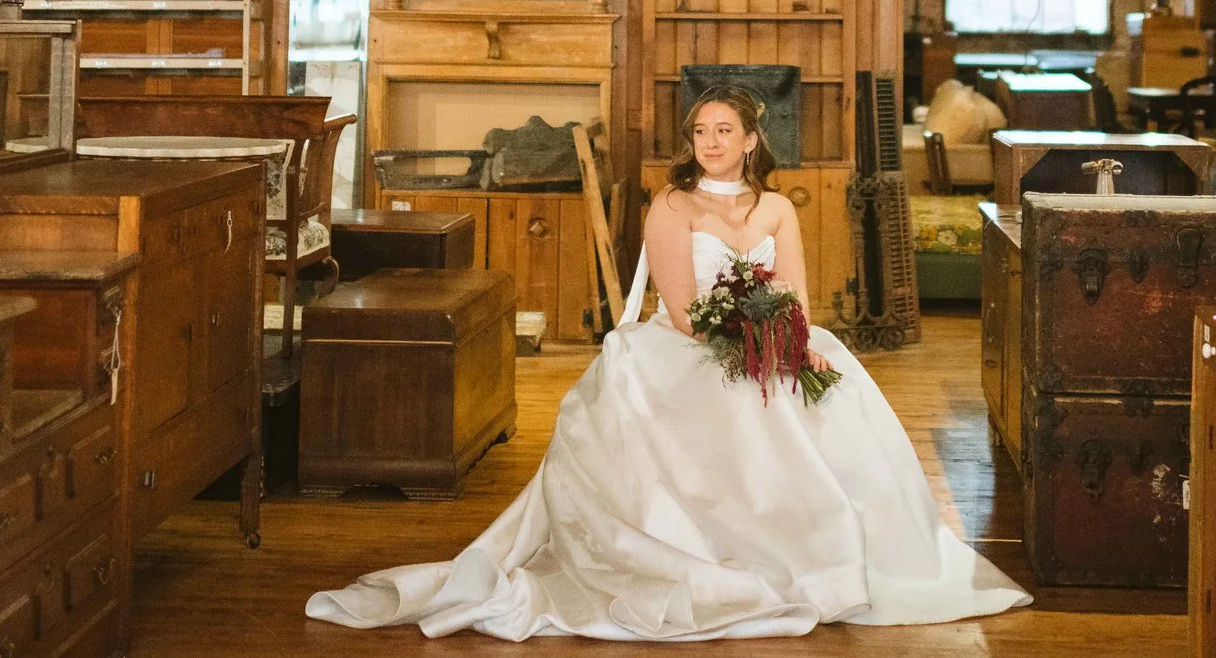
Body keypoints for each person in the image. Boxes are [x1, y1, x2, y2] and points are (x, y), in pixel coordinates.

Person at [306, 88, 1031, 641]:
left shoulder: (777, 207)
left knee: (836, 404)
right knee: (742, 412)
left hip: (768, 336)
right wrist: (742, 344)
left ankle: (841, 556)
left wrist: (786, 338)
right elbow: (683, 311)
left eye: (725, 131)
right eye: (701, 132)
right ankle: (733, 557)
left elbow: (796, 295)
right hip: (691, 346)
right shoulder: (673, 205)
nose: (712, 141)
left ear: (750, 139)